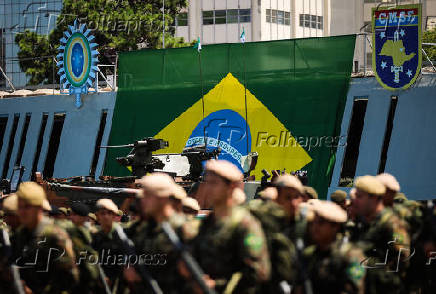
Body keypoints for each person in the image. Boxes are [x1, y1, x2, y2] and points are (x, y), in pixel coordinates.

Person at [190, 160, 270, 294]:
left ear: (231, 187)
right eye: (207, 182)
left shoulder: (245, 224)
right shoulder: (207, 223)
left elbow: (258, 271)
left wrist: (217, 284)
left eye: (214, 183)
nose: (207, 189)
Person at [123, 173, 192, 293]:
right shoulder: (142, 229)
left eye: (148, 195)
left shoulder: (184, 228)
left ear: (163, 197)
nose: (142, 200)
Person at [11, 181, 79, 293]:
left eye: (27, 207)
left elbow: (69, 279)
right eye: (19, 207)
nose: (22, 212)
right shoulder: (20, 234)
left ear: (39, 208)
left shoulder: (54, 235)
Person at [351, 175, 410, 294]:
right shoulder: (363, 223)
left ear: (374, 198)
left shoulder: (391, 224)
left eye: (359, 196)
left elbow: (402, 260)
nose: (354, 200)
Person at [302, 200, 366, 294]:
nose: (315, 227)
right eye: (313, 222)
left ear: (335, 227)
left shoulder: (351, 255)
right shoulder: (309, 254)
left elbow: (354, 288)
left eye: (321, 223)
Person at [92, 198, 125, 292]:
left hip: (119, 282)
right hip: (100, 281)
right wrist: (99, 277)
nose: (106, 216)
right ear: (97, 216)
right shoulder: (94, 237)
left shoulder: (122, 236)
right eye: (102, 213)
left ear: (114, 216)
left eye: (109, 213)